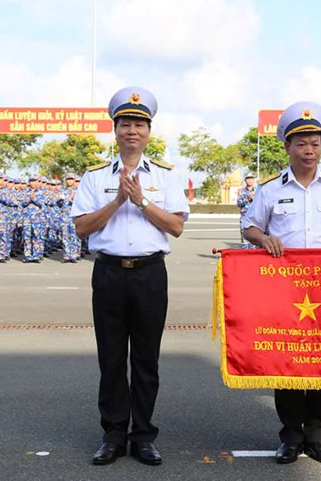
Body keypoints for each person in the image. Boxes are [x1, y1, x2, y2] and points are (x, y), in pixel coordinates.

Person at [72, 87, 189, 467]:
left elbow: (175, 227)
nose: (132, 130)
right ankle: (112, 434)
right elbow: (81, 229)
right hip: (108, 273)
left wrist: (141, 201)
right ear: (115, 129)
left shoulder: (167, 177)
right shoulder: (94, 178)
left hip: (149, 274)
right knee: (110, 359)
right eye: (125, 124)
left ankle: (143, 436)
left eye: (139, 124)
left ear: (149, 131)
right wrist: (118, 200)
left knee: (145, 360)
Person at [241, 101, 321, 466]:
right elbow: (249, 226)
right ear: (287, 147)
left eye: (315, 143)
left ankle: (319, 437)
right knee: (288, 360)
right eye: (302, 143)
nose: (310, 150)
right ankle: (290, 437)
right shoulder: (269, 189)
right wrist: (264, 240)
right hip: (284, 288)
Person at [236, 172, 256, 249]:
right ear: (245, 180)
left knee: (254, 239)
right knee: (244, 239)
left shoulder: (258, 190)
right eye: (248, 179)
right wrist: (247, 199)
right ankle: (245, 255)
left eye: (251, 178)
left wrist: (254, 199)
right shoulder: (241, 191)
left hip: (255, 218)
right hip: (244, 218)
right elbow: (239, 203)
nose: (249, 180)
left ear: (253, 179)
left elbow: (262, 203)